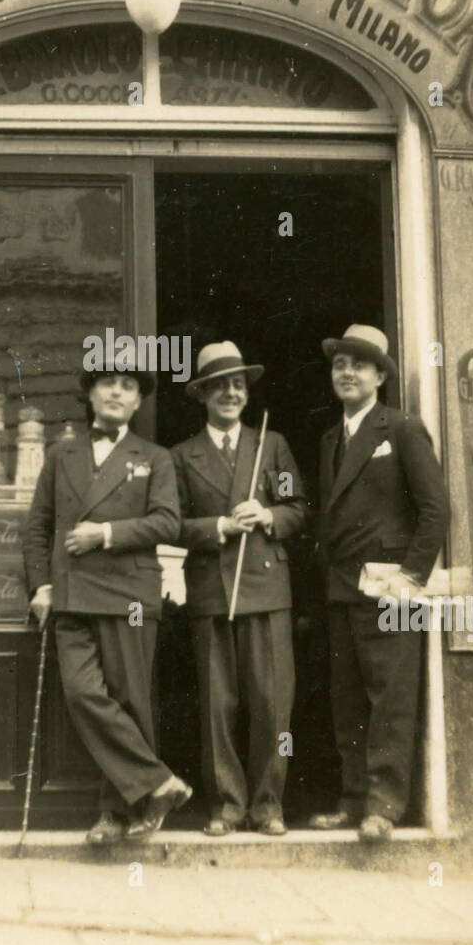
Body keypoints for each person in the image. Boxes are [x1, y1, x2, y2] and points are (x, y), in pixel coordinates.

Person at [22, 365, 191, 844]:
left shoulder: (154, 457)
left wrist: (106, 534)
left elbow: (167, 523)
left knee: (130, 703)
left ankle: (116, 815)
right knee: (82, 694)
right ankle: (158, 783)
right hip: (72, 596)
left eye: (129, 386)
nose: (117, 391)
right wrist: (40, 585)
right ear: (90, 395)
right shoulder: (61, 454)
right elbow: (38, 526)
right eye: (107, 383)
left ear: (138, 403)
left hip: (129, 595)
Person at [312, 325, 450, 842]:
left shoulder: (402, 429)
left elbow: (436, 510)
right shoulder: (331, 438)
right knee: (348, 699)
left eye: (359, 365)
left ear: (380, 376)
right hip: (345, 586)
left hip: (391, 586)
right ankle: (352, 801)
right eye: (339, 364)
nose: (347, 373)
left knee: (390, 699)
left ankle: (384, 806)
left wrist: (410, 578)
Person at [171, 342, 307, 836]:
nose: (230, 393)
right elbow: (170, 523)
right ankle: (227, 804)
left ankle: (268, 804)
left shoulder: (274, 445)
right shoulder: (180, 456)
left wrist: (270, 514)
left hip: (267, 588)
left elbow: (299, 508)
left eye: (238, 385)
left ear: (246, 394)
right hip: (212, 590)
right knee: (218, 705)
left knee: (273, 704)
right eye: (220, 385)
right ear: (203, 394)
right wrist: (219, 527)